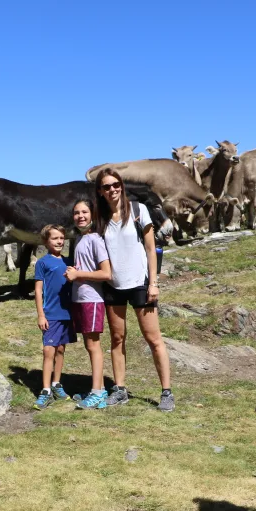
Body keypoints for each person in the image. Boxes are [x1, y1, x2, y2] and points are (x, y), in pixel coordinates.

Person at [92, 168, 174, 412]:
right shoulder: (100, 217)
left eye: (116, 184)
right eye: (106, 186)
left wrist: (154, 283)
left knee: (153, 339)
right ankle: (119, 389)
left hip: (140, 283)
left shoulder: (138, 211)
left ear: (121, 186)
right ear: (100, 191)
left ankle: (166, 392)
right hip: (113, 286)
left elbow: (151, 248)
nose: (112, 189)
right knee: (117, 339)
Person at [64, 199, 112, 409]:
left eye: (84, 212)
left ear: (92, 215)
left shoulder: (95, 239)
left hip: (92, 299)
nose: (80, 216)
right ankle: (97, 389)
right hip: (80, 298)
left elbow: (106, 273)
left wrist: (77, 274)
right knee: (88, 345)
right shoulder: (81, 239)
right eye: (76, 213)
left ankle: (98, 392)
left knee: (93, 345)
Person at [32, 224, 75, 409]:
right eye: (54, 238)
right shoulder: (43, 263)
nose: (59, 241)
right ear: (46, 241)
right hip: (51, 314)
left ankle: (57, 384)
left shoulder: (69, 261)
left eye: (61, 238)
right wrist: (41, 315)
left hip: (67, 313)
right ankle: (45, 390)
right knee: (48, 351)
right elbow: (38, 290)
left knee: (60, 350)